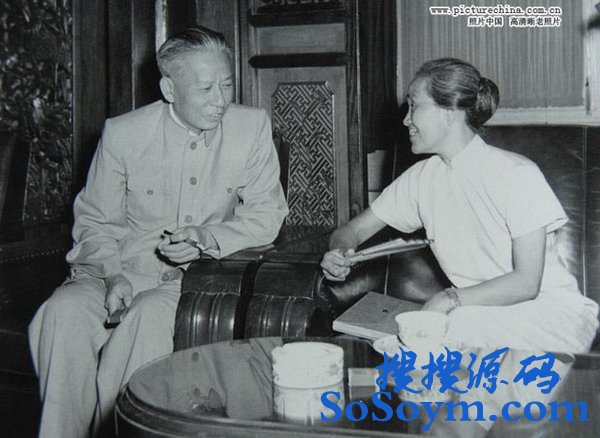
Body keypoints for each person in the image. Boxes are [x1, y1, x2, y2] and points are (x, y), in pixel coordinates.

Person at [28, 26, 288, 437]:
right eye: (206, 89)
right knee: (63, 312)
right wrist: (111, 275)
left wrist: (207, 239)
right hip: (118, 270)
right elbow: (95, 222)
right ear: (169, 89)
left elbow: (268, 214)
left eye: (226, 85)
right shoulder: (123, 133)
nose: (220, 100)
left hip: (192, 280)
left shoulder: (250, 127)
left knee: (146, 317)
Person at [321, 58, 598, 354]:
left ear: (450, 112)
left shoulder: (516, 174)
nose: (405, 120)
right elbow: (352, 231)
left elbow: (527, 283)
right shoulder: (421, 178)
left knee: (449, 331)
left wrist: (448, 299)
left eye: (414, 106)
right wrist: (340, 252)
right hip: (474, 316)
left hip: (551, 316)